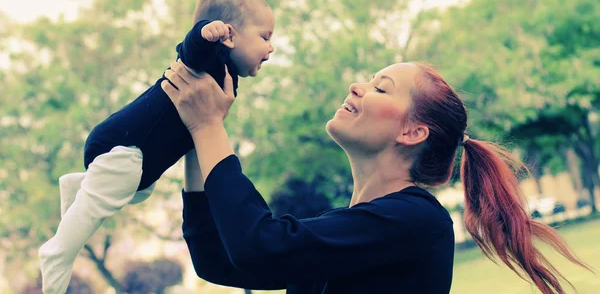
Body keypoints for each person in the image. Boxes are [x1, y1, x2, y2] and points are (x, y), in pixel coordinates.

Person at [161, 61, 592, 294]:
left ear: (412, 132)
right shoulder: (352, 228)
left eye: (380, 87)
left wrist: (208, 128)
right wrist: (195, 134)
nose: (356, 86)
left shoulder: (416, 222)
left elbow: (261, 248)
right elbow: (219, 260)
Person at [38, 0, 275, 294]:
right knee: (113, 191)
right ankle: (56, 253)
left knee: (138, 190)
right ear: (229, 35)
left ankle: (79, 186)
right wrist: (206, 31)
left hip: (138, 159)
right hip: (124, 146)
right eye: (265, 37)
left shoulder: (224, 76)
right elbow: (190, 47)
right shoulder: (207, 60)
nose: (271, 48)